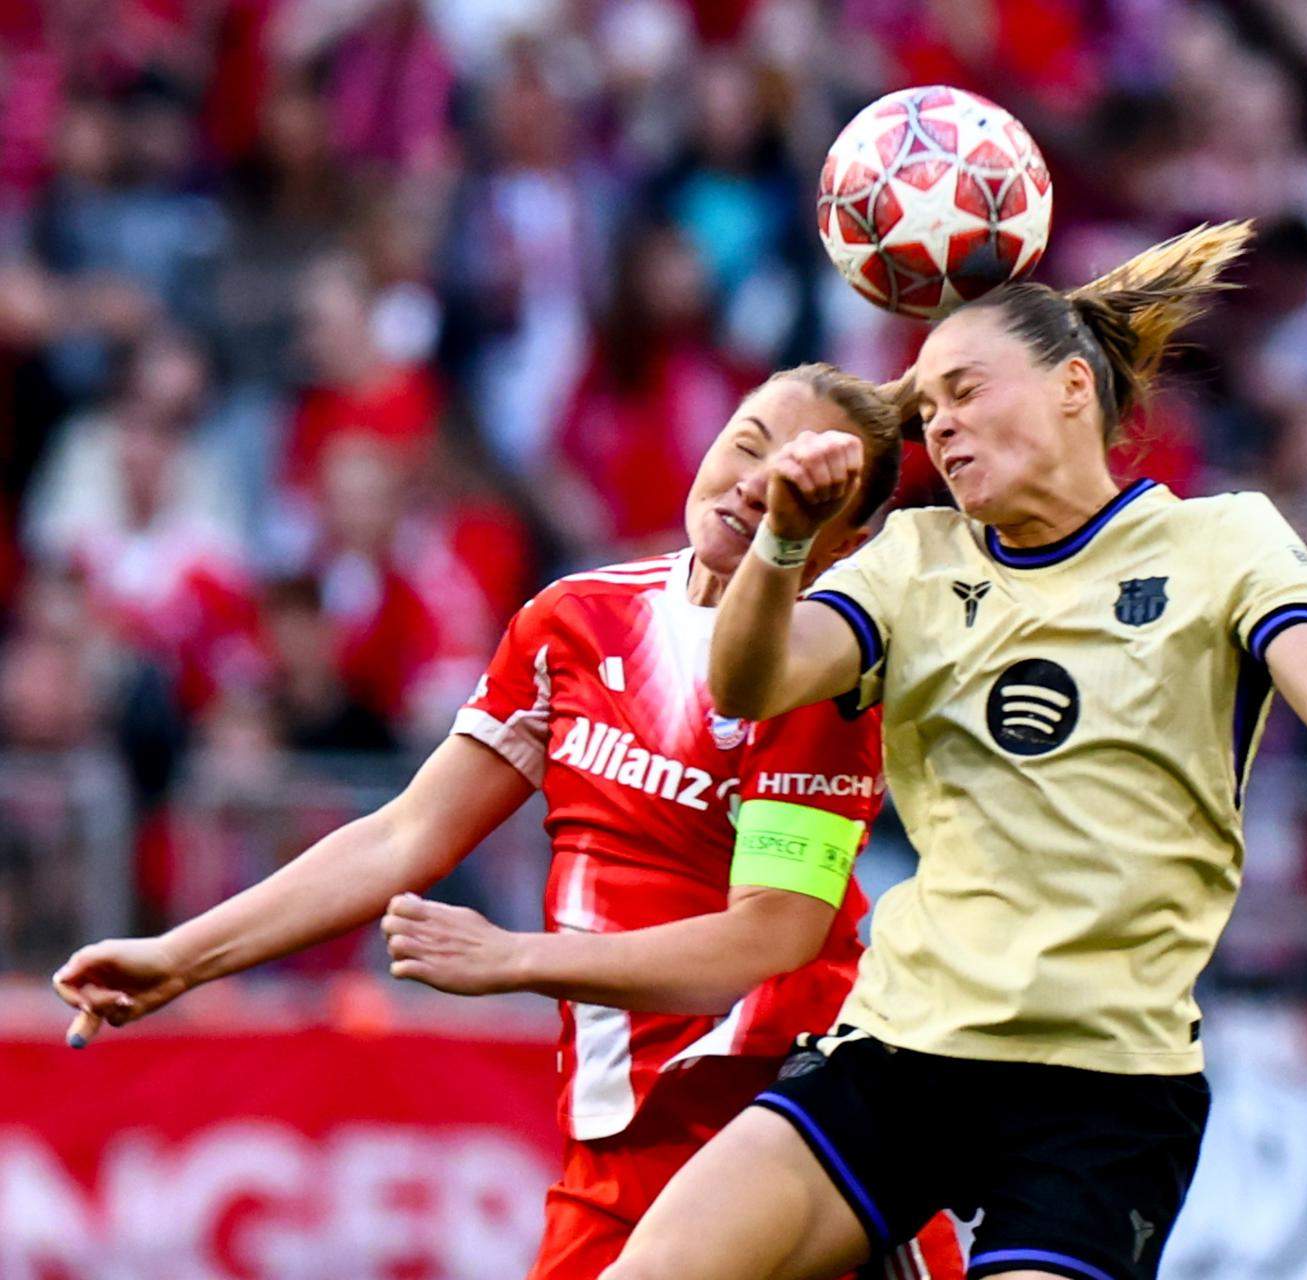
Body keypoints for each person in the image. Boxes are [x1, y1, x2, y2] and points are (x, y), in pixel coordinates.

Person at [607, 222, 1307, 1280]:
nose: (942, 428)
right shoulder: (914, 558)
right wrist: (784, 542)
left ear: (1075, 386)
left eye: (969, 391)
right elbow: (749, 680)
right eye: (928, 411)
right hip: (903, 1048)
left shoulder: (1224, 540)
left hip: (1104, 1085)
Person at [50, 363, 962, 1280]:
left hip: (793, 1132)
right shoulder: (578, 621)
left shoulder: (823, 683)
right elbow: (404, 836)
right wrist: (181, 957)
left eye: (799, 486)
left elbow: (764, 943)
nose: (751, 486)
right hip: (618, 1140)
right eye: (747, 445)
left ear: (851, 537)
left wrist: (514, 959)